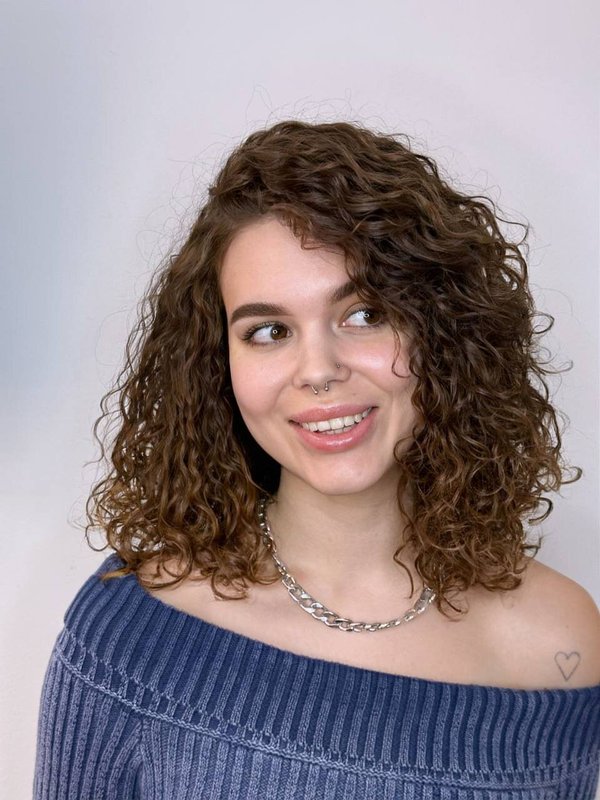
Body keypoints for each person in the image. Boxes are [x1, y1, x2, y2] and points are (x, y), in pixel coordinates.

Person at [33, 120, 600, 799]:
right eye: (269, 331)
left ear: (443, 333)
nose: (319, 370)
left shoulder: (559, 646)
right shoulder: (135, 631)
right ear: (219, 366)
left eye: (364, 314)